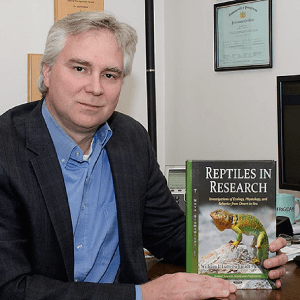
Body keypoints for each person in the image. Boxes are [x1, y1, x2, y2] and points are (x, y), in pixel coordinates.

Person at [0, 11, 287, 300]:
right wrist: (143, 295)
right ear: (47, 72)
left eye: (110, 74)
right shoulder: (5, 150)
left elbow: (169, 235)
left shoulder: (131, 138)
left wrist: (252, 255)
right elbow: (11, 287)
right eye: (79, 69)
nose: (96, 88)